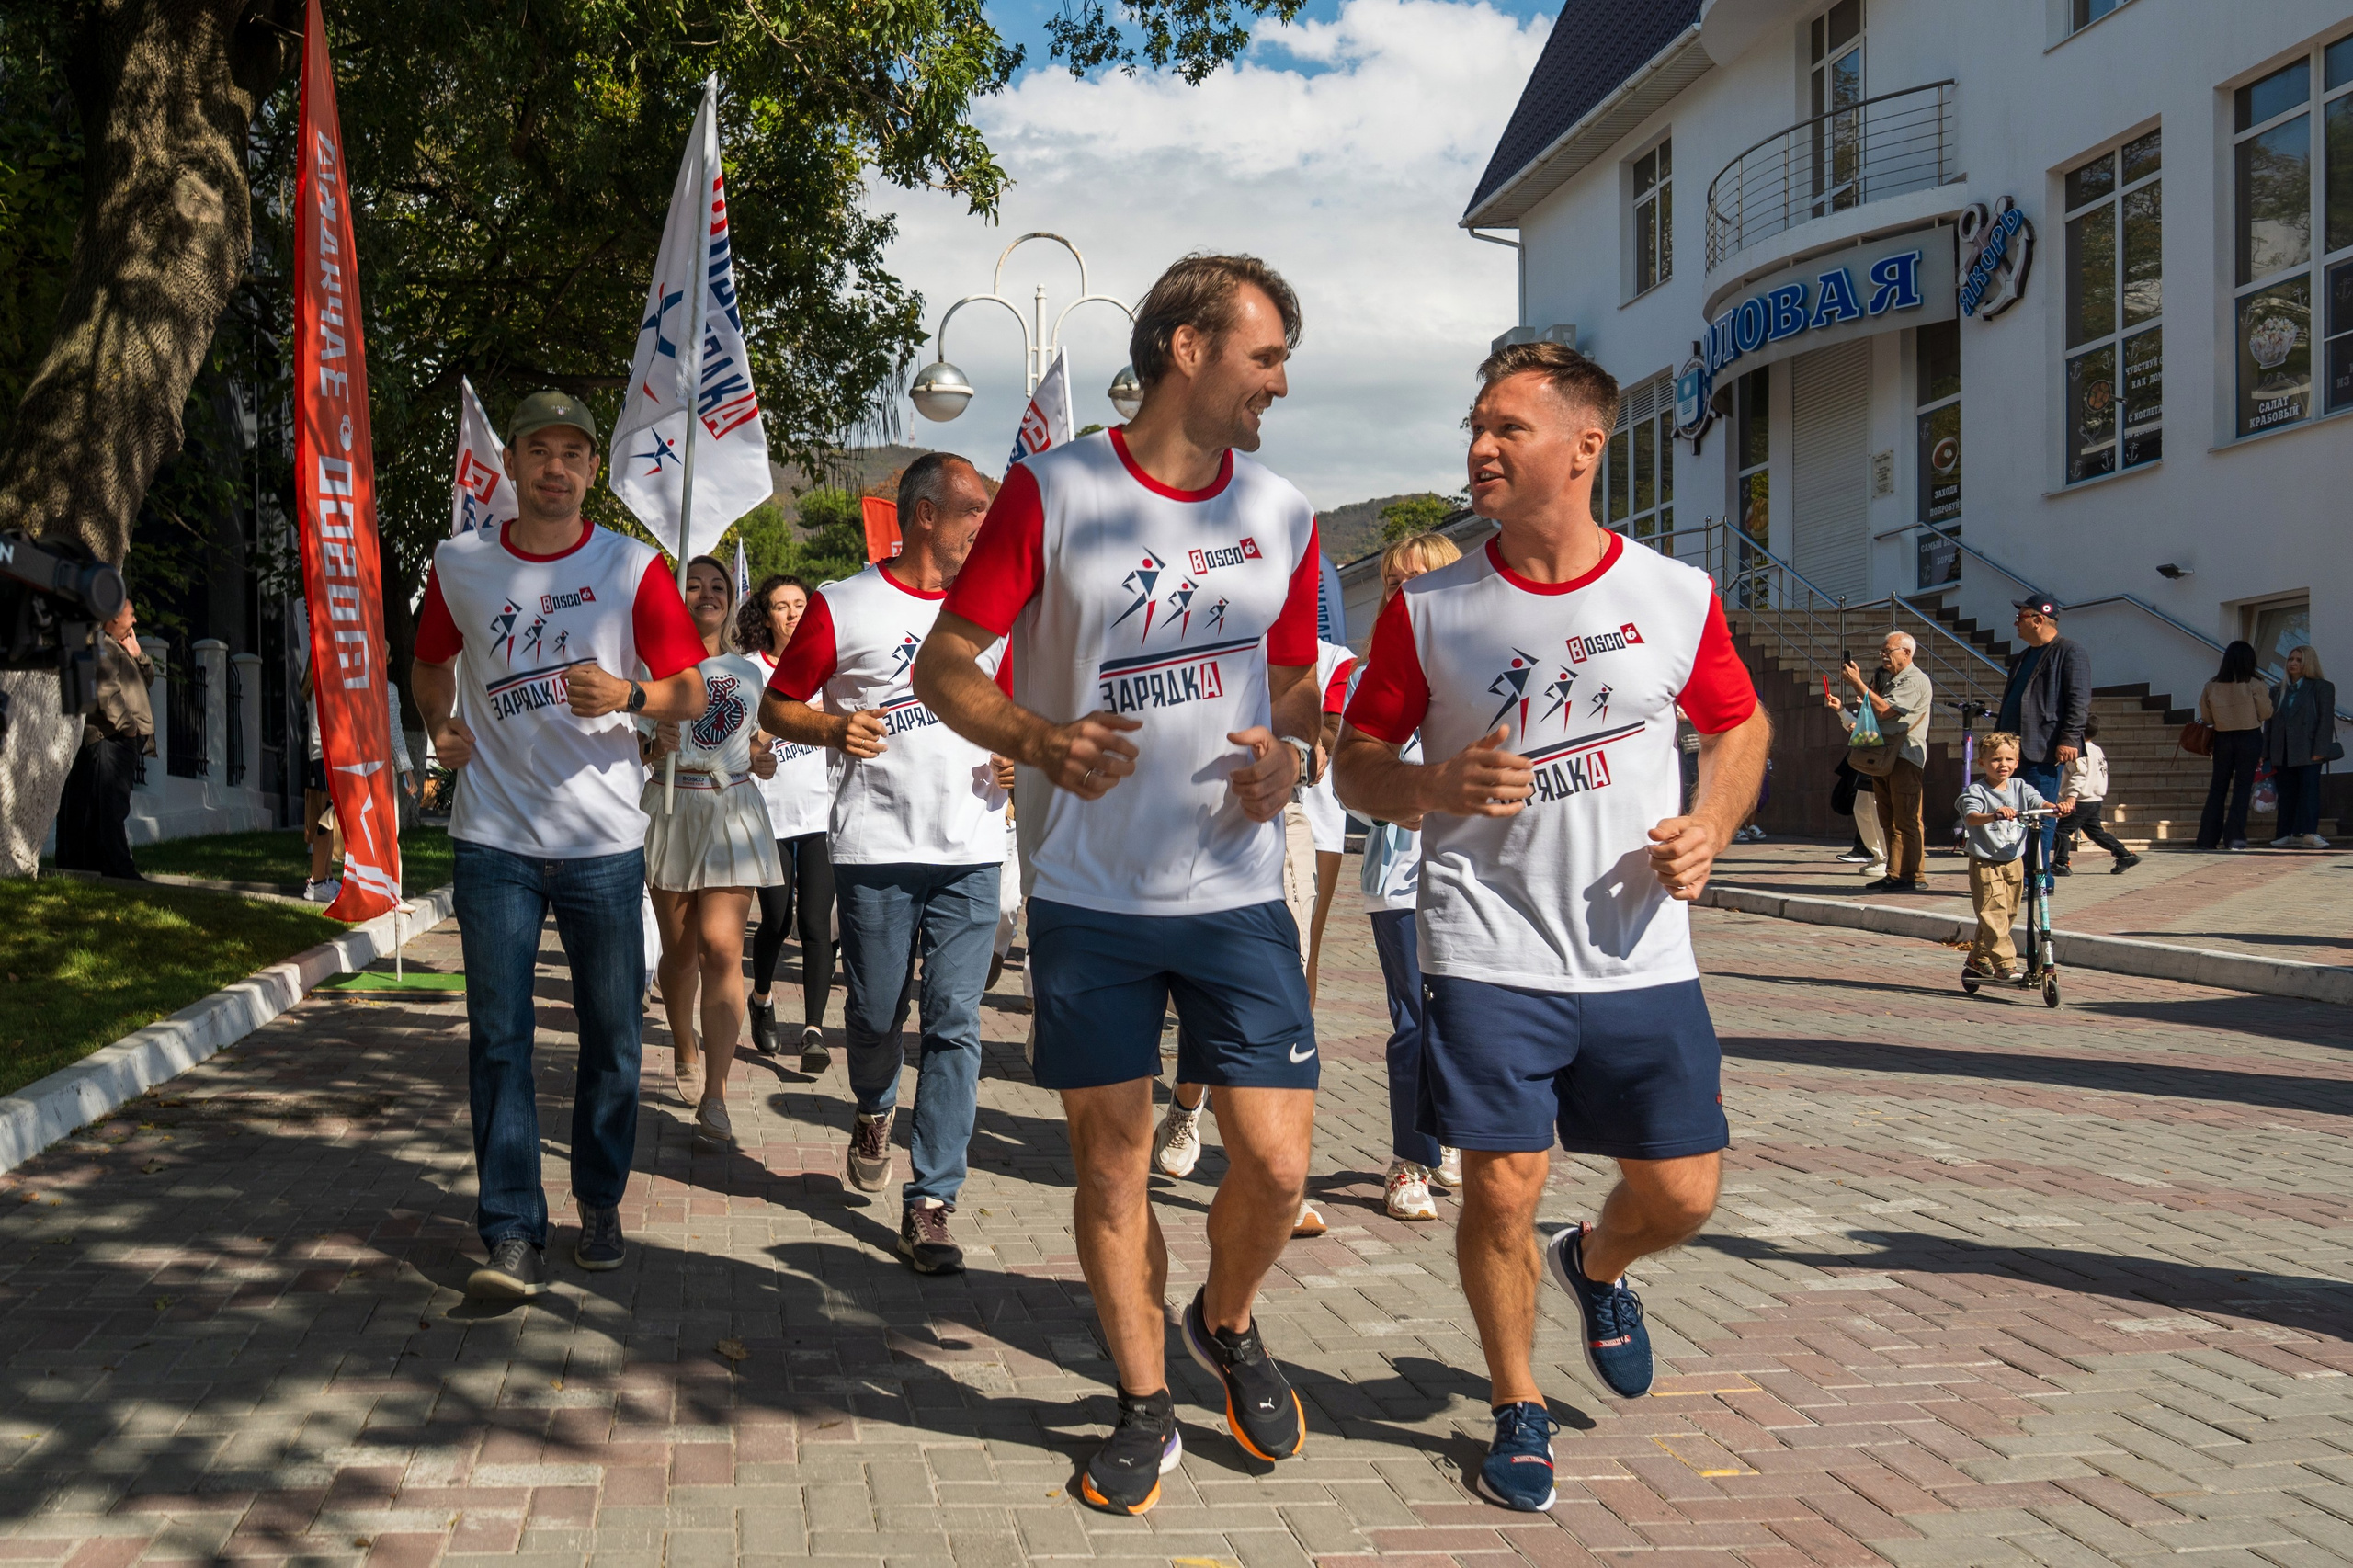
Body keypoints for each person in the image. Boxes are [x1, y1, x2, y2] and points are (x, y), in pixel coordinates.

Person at [912, 253, 1324, 1516]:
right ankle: (1145, 1405)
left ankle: (1225, 1319)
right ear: (1187, 348)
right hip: (1090, 894)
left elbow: (1296, 683)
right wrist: (1037, 739)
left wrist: (1294, 752)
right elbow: (945, 665)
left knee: (1277, 1165)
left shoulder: (1284, 510)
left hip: (1237, 887)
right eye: (1265, 355)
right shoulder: (1057, 490)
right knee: (1111, 1166)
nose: (1280, 382)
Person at [1336, 340, 1769, 1514]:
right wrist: (1432, 785)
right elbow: (1356, 762)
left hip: (1640, 949)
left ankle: (1598, 1260)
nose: (1479, 447)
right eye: (1475, 429)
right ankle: (1516, 1402)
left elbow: (1738, 726)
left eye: (1506, 429)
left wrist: (1711, 824)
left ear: (1585, 446)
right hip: (1486, 946)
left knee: (1683, 1192)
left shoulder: (1673, 594)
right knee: (1499, 1188)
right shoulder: (1430, 608)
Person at [410, 390, 710, 1298]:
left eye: (572, 453)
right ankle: (510, 1230)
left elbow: (693, 690)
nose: (555, 468)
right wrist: (439, 723)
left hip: (603, 843)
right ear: (511, 464)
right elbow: (429, 663)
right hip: (493, 837)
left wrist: (629, 696)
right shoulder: (460, 563)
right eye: (538, 450)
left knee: (612, 1036)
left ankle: (600, 1199)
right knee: (498, 1039)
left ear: (591, 469)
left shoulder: (631, 566)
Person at [761, 451, 1012, 1278]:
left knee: (954, 1021)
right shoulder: (845, 605)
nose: (985, 526)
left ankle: (931, 1200)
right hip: (876, 850)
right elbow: (777, 706)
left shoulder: (996, 613)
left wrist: (1018, 755)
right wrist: (833, 729)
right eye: (974, 510)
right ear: (926, 515)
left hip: (972, 850)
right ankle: (873, 1106)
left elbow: (1019, 710)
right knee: (873, 1015)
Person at [642, 555, 782, 1145]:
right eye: (693, 585)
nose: (706, 594)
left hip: (732, 809)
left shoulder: (750, 673)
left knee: (722, 947)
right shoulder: (652, 667)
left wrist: (763, 757)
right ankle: (684, 1044)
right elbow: (634, 747)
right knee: (679, 954)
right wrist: (655, 743)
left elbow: (761, 740)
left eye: (717, 586)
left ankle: (717, 1095)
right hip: (673, 807)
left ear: (731, 598)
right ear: (677, 597)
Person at [1353, 529, 1464, 1223]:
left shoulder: (1480, 670)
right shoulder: (1371, 677)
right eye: (1394, 581)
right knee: (1414, 1018)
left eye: (1416, 579)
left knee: (1463, 1018)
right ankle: (1409, 1161)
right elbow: (1351, 784)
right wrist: (1397, 797)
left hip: (1473, 876)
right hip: (1398, 877)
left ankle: (1445, 1131)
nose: (1402, 591)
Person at [737, 574, 839, 1070]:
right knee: (776, 922)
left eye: (801, 604)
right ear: (767, 616)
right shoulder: (750, 671)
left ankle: (814, 1032)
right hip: (770, 818)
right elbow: (737, 741)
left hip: (822, 816)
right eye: (783, 606)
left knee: (818, 924)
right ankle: (761, 998)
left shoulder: (827, 666)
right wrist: (765, 740)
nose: (794, 613)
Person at [54, 594, 154, 881]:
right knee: (112, 807)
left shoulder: (119, 646)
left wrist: (138, 655)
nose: (135, 620)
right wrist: (128, 728)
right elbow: (107, 694)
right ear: (114, 618)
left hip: (121, 737)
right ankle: (120, 869)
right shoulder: (102, 646)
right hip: (114, 737)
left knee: (101, 806)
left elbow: (147, 680)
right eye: (131, 614)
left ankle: (100, 867)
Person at [1824, 631, 1931, 892]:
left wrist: (1857, 683)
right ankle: (1894, 873)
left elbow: (1884, 710)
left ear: (1907, 653)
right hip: (1884, 756)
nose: (1883, 656)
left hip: (1904, 756)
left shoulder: (1915, 680)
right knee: (1888, 819)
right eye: (1882, 651)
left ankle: (1913, 876)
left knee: (1906, 819)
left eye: (1888, 651)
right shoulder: (1894, 680)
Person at [1994, 596, 2088, 888]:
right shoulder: (2023, 656)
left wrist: (2069, 738)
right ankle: (2021, 876)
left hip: (2043, 749)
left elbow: (2079, 699)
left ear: (2038, 619)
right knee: (2016, 815)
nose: (2015, 623)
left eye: (2020, 617)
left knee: (2040, 815)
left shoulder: (2069, 651)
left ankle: (2039, 881)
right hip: (2014, 751)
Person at [1957, 733, 2067, 980]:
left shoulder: (2020, 787)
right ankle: (2004, 965)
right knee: (1993, 913)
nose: (2003, 764)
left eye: (2009, 759)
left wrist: (2056, 808)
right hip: (1985, 862)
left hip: (2013, 861)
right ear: (1982, 762)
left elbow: (2039, 803)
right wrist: (1994, 815)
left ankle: (1978, 959)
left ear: (2017, 762)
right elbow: (1972, 817)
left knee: (2005, 915)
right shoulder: (1976, 791)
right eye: (1996, 759)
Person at [2195, 640, 2272, 851]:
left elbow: (2206, 716)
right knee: (2242, 787)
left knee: (2217, 787)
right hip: (2249, 736)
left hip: (2222, 737)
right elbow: (2266, 713)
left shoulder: (2212, 685)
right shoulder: (2255, 684)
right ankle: (2235, 839)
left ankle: (2206, 839)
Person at [2266, 645, 2336, 850]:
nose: (2293, 663)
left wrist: (2320, 749)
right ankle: (2285, 833)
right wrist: (2266, 752)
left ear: (2308, 663)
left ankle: (2309, 832)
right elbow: (2270, 723)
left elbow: (2326, 720)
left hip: (2309, 748)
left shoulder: (2321, 687)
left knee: (2309, 791)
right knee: (2287, 793)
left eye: (2298, 660)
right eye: (2291, 659)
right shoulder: (2277, 690)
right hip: (2283, 749)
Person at [2053, 714, 2137, 874]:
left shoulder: (2077, 751)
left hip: (2080, 799)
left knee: (2062, 830)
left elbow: (2079, 774)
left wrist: (2071, 797)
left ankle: (2061, 863)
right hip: (2095, 798)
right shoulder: (2097, 750)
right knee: (2095, 832)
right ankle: (2124, 854)